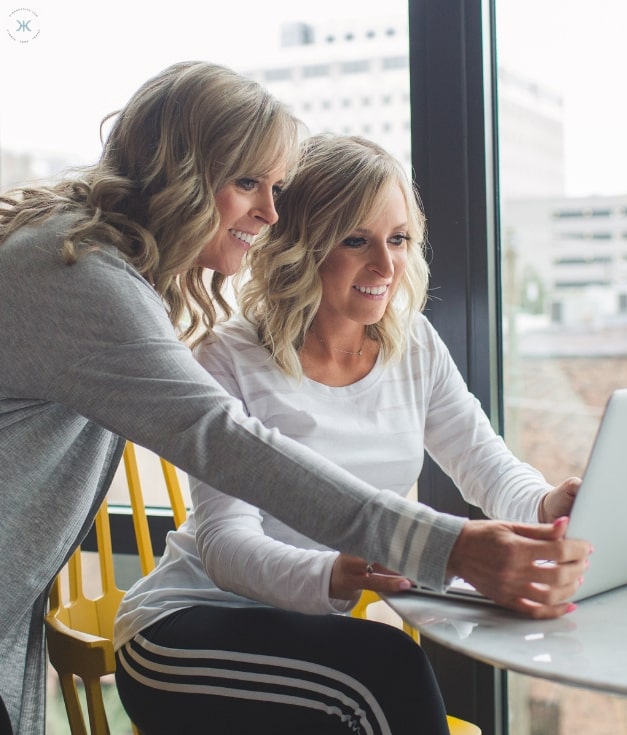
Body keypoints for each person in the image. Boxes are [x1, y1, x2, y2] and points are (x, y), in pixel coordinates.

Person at [113, 133, 590, 734]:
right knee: (384, 671)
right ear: (301, 246)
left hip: (307, 635)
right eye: (356, 240)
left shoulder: (412, 344)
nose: (385, 267)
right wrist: (341, 571)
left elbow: (486, 464)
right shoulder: (228, 357)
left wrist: (550, 505)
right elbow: (226, 545)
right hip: (186, 629)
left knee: (378, 674)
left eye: (398, 240)